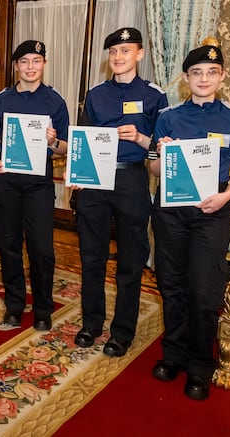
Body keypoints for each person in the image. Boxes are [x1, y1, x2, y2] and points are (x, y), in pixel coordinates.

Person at [148, 40, 230, 401]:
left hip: (212, 212)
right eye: (196, 73)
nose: (203, 78)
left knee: (204, 292)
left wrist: (225, 197)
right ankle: (173, 354)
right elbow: (155, 169)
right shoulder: (168, 117)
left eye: (211, 72)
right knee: (172, 285)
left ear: (222, 76)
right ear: (185, 78)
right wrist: (160, 156)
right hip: (170, 212)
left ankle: (199, 365)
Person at [73, 27, 169, 357]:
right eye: (113, 52)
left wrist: (141, 139)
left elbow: (165, 148)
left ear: (139, 54)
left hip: (131, 181)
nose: (118, 57)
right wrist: (78, 171)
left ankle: (122, 332)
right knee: (91, 257)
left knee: (130, 261)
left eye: (125, 51)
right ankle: (91, 323)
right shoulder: (96, 94)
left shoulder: (156, 96)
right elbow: (83, 139)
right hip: (95, 183)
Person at [0, 40, 69, 332]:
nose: (30, 67)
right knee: (7, 245)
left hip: (38, 185)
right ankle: (15, 306)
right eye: (24, 61)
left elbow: (65, 148)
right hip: (6, 180)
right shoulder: (2, 99)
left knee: (41, 248)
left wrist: (52, 141)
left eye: (36, 60)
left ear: (44, 64)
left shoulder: (55, 101)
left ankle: (43, 308)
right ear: (16, 66)